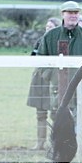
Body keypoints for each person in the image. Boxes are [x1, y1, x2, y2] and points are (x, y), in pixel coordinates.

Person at [36, 1, 82, 163]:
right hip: (60, 93)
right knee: (62, 129)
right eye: (69, 12)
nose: (73, 15)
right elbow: (40, 62)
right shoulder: (50, 37)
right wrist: (52, 76)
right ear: (63, 14)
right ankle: (62, 160)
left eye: (76, 13)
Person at [26, 17, 60, 150]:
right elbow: (33, 59)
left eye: (51, 27)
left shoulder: (59, 43)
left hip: (53, 80)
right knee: (40, 113)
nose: (47, 29)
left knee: (55, 113)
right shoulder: (39, 42)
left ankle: (54, 143)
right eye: (46, 27)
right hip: (39, 79)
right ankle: (40, 142)